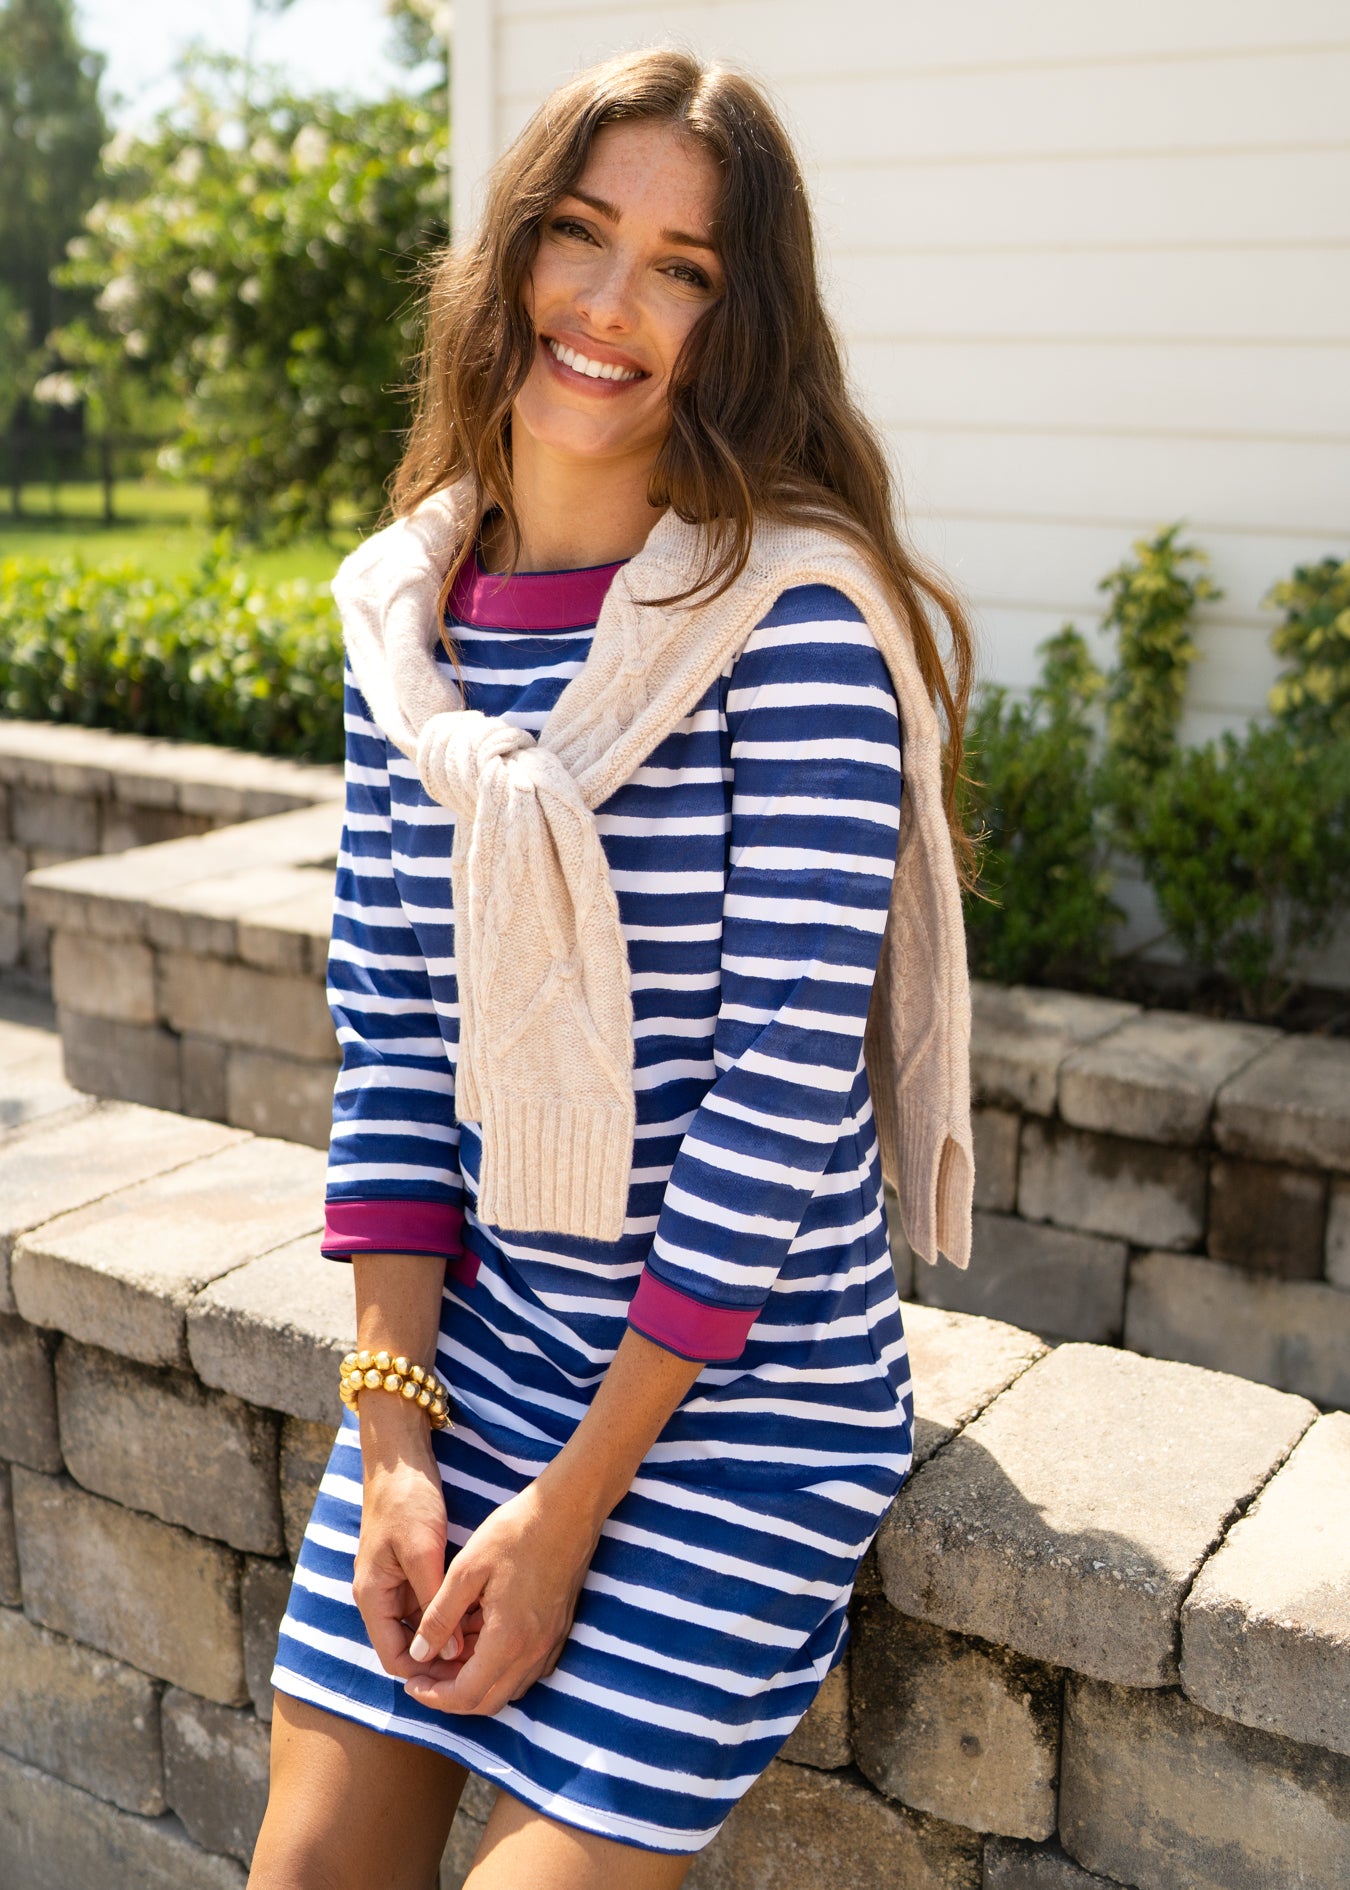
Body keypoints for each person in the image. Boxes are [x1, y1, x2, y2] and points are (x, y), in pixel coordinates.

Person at [249, 47, 975, 1890]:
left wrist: (567, 1513)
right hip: (474, 1360)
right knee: (311, 1868)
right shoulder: (403, 631)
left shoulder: (790, 624)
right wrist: (396, 1441)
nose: (611, 303)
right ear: (507, 263)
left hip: (736, 1408)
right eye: (581, 237)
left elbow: (774, 1103)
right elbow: (396, 1048)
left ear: (736, 326)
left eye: (682, 267)